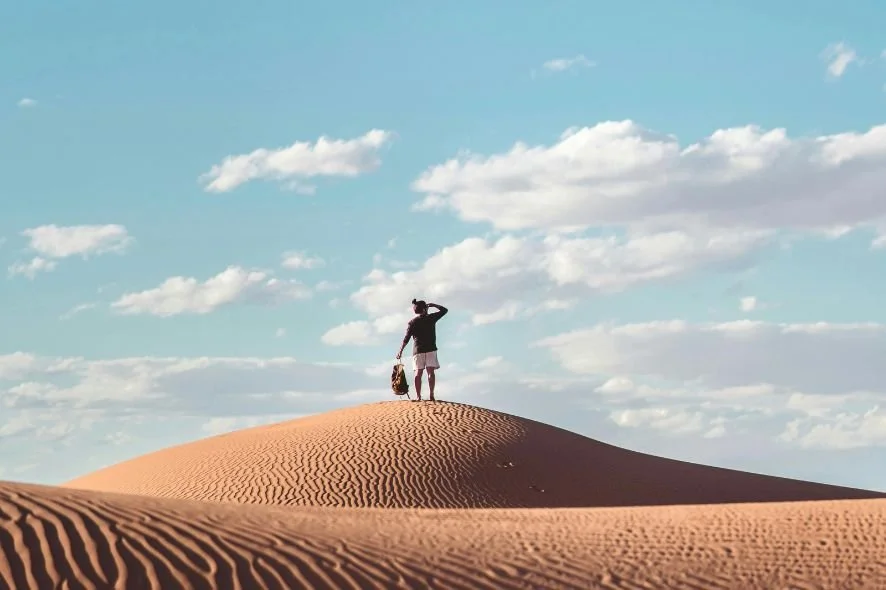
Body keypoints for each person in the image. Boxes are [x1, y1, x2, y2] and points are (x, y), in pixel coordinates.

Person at [396, 299, 448, 401]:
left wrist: (400, 351)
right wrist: (433, 305)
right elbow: (444, 310)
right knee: (430, 373)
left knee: (418, 373)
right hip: (430, 349)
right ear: (424, 309)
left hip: (418, 350)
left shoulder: (412, 322)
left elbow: (406, 339)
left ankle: (418, 396)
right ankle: (431, 395)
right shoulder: (431, 318)